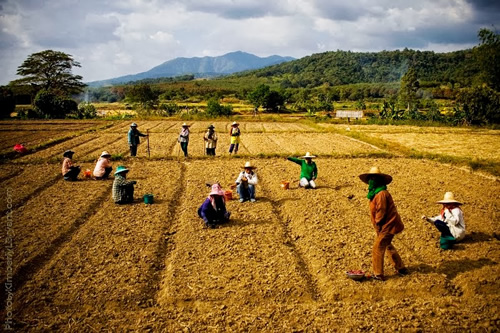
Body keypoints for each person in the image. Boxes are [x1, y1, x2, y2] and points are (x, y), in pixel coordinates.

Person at [359, 166, 408, 281]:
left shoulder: (381, 194)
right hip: (384, 225)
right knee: (387, 245)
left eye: (374, 178)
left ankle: (378, 274)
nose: (372, 181)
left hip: (388, 224)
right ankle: (401, 268)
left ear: (379, 180)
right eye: (371, 178)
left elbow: (381, 211)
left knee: (378, 247)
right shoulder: (375, 193)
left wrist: (378, 224)